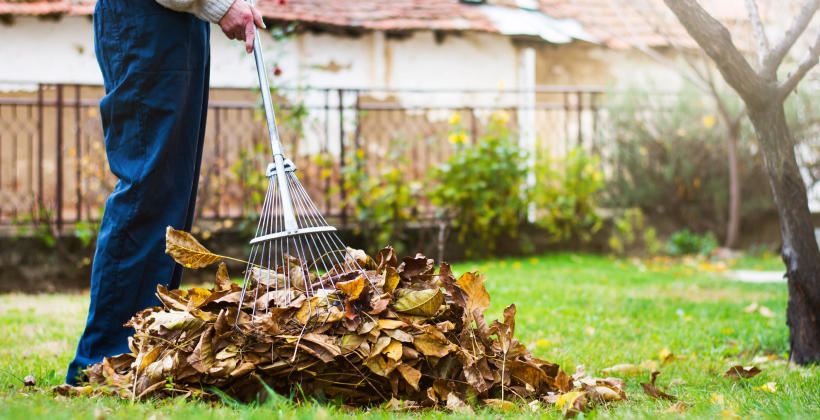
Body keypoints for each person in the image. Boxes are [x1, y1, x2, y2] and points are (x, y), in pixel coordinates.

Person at [66, 0, 265, 384]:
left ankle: (143, 349)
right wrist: (218, 4)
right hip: (146, 18)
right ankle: (104, 358)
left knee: (172, 191)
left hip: (177, 21)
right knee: (148, 188)